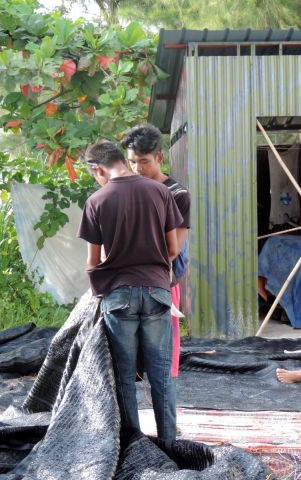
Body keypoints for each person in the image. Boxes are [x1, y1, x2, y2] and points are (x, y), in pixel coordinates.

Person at [77, 139, 183, 443]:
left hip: (118, 297)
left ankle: (134, 446)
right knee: (161, 376)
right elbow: (173, 249)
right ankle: (169, 444)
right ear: (124, 160)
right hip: (157, 293)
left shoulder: (97, 201)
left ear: (97, 168)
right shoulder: (160, 191)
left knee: (124, 377)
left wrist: (104, 287)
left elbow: (93, 262)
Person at [121, 124, 191, 377]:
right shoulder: (126, 190)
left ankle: (164, 378)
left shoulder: (177, 194)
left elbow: (175, 248)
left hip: (164, 273)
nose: (137, 168)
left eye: (143, 162)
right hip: (131, 273)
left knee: (162, 333)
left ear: (159, 158)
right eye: (132, 162)